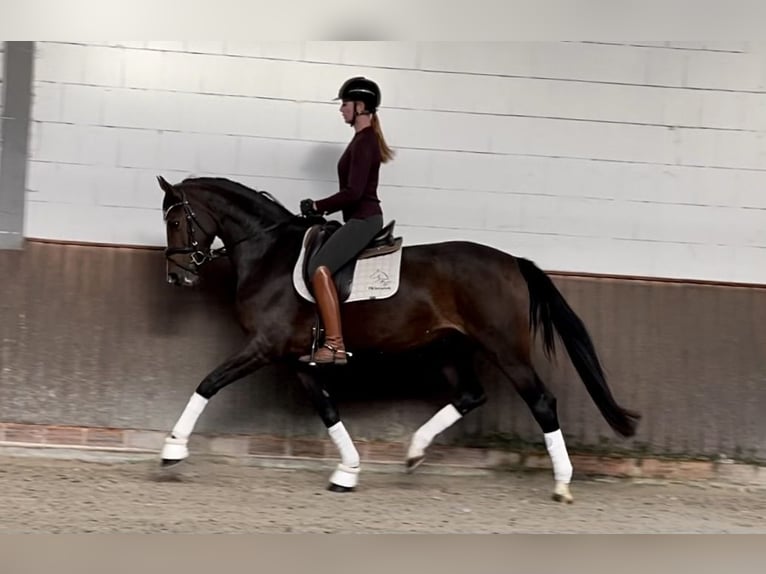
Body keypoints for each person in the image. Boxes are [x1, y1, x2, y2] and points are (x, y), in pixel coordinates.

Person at [299, 76, 396, 365]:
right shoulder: (361, 140)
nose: (341, 109)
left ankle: (335, 345)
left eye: (345, 104)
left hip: (365, 219)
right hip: (360, 217)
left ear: (360, 106)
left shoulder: (366, 142)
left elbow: (353, 192)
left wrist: (318, 205)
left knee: (318, 267)